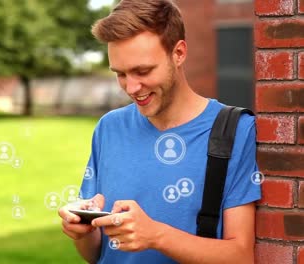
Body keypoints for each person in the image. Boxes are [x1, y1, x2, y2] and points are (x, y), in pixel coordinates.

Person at [58, 0, 261, 263]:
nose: (131, 88)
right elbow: (97, 254)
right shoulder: (109, 127)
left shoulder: (235, 130)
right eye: (120, 74)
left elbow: (241, 257)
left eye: (142, 71)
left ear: (178, 53)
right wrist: (83, 233)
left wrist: (156, 236)